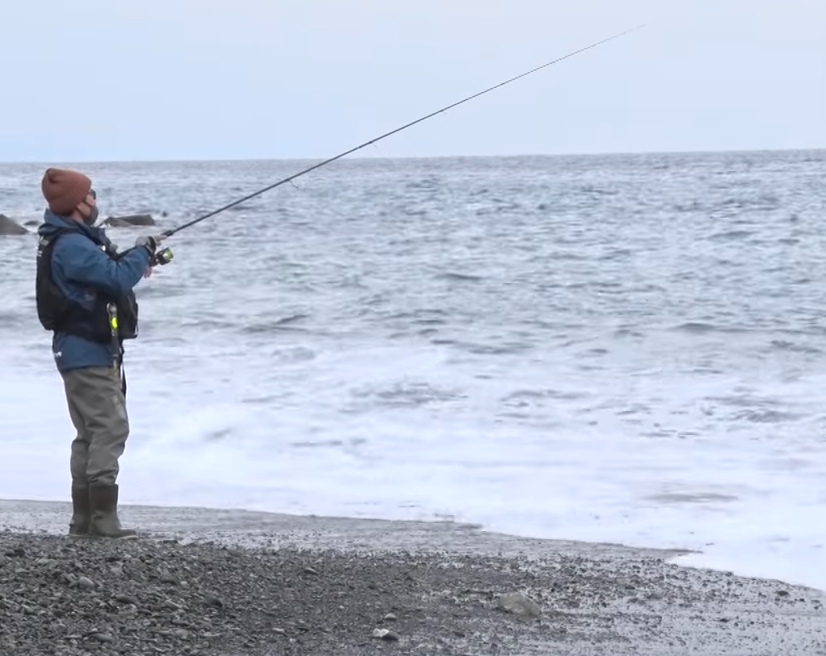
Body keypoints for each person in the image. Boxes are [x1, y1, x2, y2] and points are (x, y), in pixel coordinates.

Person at [35, 167, 163, 539]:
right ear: (77, 204)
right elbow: (116, 278)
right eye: (91, 196)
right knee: (110, 427)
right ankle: (103, 520)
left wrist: (140, 257)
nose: (95, 201)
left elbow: (107, 272)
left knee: (89, 433)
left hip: (80, 351)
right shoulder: (72, 244)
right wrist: (141, 254)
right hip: (85, 352)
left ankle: (84, 520)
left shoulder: (71, 239)